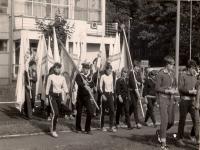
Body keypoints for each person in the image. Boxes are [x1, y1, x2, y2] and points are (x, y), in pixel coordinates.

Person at [155, 56, 177, 150]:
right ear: (167, 64)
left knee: (171, 122)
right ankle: (163, 144)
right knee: (164, 121)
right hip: (163, 99)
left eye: (173, 64)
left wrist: (174, 90)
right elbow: (157, 88)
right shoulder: (160, 74)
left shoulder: (172, 74)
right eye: (172, 64)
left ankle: (160, 132)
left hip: (171, 99)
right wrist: (166, 91)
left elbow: (175, 85)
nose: (173, 66)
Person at [177, 60, 199, 146]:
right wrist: (190, 91)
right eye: (193, 68)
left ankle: (198, 139)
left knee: (196, 120)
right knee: (182, 120)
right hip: (184, 101)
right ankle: (179, 138)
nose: (194, 70)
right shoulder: (182, 75)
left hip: (193, 101)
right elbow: (180, 88)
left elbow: (197, 87)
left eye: (195, 68)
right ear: (189, 68)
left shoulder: (195, 77)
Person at [46, 63, 69, 138]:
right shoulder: (50, 77)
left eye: (59, 68)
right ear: (54, 69)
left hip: (59, 97)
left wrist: (67, 93)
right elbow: (47, 87)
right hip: (52, 96)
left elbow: (65, 86)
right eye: (56, 68)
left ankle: (51, 126)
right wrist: (46, 97)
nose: (58, 69)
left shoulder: (62, 78)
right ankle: (53, 130)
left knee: (57, 114)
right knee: (55, 113)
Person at [75, 62, 94, 134]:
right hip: (80, 97)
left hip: (87, 97)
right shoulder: (79, 75)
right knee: (79, 113)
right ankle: (78, 128)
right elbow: (79, 83)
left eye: (88, 69)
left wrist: (88, 85)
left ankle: (87, 129)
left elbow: (92, 84)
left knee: (90, 111)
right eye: (85, 69)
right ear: (82, 69)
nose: (87, 70)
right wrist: (84, 84)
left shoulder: (89, 76)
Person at [100, 63, 117, 132]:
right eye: (108, 70)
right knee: (103, 111)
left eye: (111, 70)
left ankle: (110, 126)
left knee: (112, 110)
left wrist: (112, 95)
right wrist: (102, 94)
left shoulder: (112, 76)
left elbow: (112, 87)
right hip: (104, 94)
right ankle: (102, 126)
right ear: (106, 70)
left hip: (110, 94)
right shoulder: (103, 76)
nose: (110, 71)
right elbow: (100, 87)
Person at [128, 60, 143, 129]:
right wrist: (138, 95)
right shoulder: (131, 73)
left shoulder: (137, 74)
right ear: (134, 67)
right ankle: (137, 123)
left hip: (136, 91)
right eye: (137, 67)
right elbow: (134, 86)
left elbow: (139, 82)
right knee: (135, 107)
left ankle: (126, 117)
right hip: (132, 92)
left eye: (138, 67)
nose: (138, 68)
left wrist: (140, 83)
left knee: (132, 107)